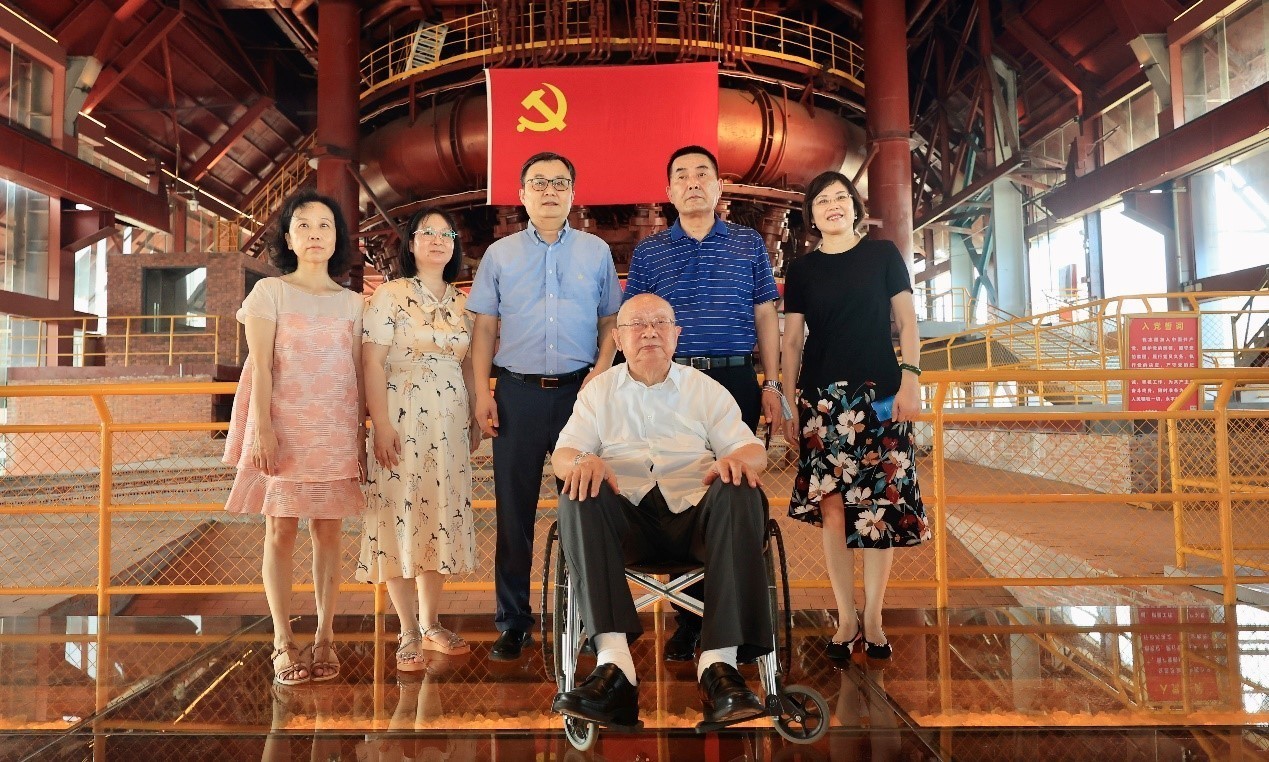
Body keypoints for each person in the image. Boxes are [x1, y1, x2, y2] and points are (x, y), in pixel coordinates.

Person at [550, 293, 772, 728]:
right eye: (637, 324)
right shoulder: (598, 393)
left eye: (660, 323)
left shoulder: (705, 389)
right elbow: (564, 454)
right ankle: (614, 667)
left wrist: (735, 460)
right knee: (578, 489)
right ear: (618, 339)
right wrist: (583, 460)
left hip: (696, 520)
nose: (649, 332)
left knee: (741, 487)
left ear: (676, 336)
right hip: (626, 524)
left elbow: (752, 450)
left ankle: (720, 666)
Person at [622, 144, 782, 661]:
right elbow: (634, 321)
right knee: (680, 489)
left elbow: (765, 316)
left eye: (702, 174)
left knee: (730, 490)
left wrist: (773, 383)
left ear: (719, 187)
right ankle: (689, 620)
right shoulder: (650, 252)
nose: (693, 183)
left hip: (735, 377)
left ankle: (732, 616)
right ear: (668, 191)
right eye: (682, 176)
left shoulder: (747, 243)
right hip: (672, 382)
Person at [467, 151, 623, 661]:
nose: (550, 190)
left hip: (580, 394)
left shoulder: (596, 252)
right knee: (514, 514)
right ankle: (513, 622)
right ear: (522, 194)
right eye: (539, 182)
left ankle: (584, 619)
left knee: (583, 510)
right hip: (516, 395)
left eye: (559, 183)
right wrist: (482, 393)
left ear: (573, 193)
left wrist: (601, 370)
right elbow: (484, 328)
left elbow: (610, 321)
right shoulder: (500, 255)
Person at [780, 170, 930, 661]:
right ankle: (846, 617)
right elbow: (792, 341)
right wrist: (788, 398)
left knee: (878, 508)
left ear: (855, 206)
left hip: (881, 396)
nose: (833, 205)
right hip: (822, 401)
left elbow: (907, 321)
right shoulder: (803, 270)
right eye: (822, 200)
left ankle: (874, 617)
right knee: (833, 508)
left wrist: (911, 378)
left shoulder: (883, 255)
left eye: (840, 197)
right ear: (812, 214)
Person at [222, 189, 365, 685]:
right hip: (284, 428)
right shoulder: (270, 293)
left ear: (337, 238)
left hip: (335, 429)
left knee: (329, 533)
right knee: (280, 531)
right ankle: (282, 641)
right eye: (303, 225)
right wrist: (262, 428)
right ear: (287, 238)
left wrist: (361, 437)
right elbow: (260, 366)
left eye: (325, 225)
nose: (314, 234)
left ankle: (325, 636)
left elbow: (358, 374)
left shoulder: (354, 303)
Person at [356, 207, 479, 669]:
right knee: (398, 512)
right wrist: (380, 423)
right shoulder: (389, 295)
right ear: (411, 244)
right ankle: (407, 629)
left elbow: (469, 365)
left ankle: (431, 623)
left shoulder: (463, 303)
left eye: (446, 234)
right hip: (401, 418)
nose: (437, 240)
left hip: (450, 425)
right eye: (427, 233)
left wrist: (474, 414)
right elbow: (372, 362)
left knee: (438, 511)